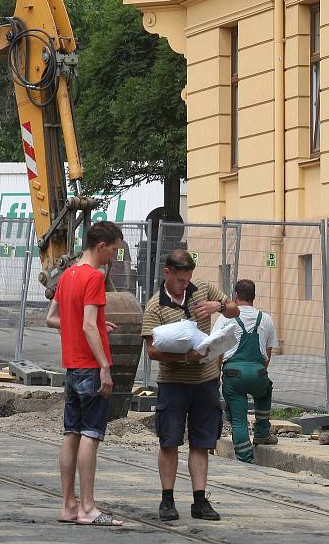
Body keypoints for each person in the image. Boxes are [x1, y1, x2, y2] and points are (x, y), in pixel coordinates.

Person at [141, 250, 239, 522]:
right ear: (167, 274)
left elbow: (235, 309)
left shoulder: (204, 290)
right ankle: (167, 500)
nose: (185, 284)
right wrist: (185, 356)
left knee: (201, 442)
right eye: (180, 280)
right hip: (173, 383)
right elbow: (151, 351)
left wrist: (217, 307)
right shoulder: (154, 307)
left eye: (188, 279)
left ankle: (199, 501)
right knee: (169, 441)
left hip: (205, 382)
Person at [45, 220, 124, 527]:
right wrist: (105, 365)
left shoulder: (69, 275)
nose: (113, 258)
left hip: (72, 366)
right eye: (113, 250)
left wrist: (87, 324)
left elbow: (52, 317)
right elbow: (88, 325)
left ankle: (68, 505)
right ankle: (88, 507)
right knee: (91, 436)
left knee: (71, 434)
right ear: (101, 246)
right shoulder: (93, 277)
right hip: (91, 367)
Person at [213, 279, 278, 463]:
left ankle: (245, 457)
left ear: (236, 295)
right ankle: (262, 432)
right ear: (254, 297)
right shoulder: (265, 319)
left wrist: (217, 376)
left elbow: (217, 349)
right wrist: (259, 372)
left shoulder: (226, 317)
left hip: (233, 376)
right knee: (266, 389)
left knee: (239, 420)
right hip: (258, 373)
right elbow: (268, 352)